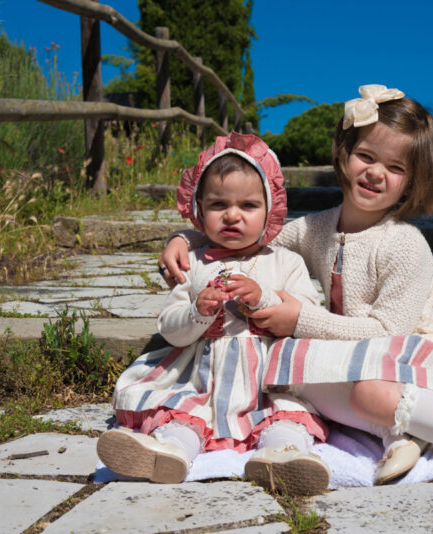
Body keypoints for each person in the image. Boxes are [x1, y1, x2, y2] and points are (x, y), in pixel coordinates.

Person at [160, 84, 433, 491]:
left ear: (412, 182)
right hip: (352, 357)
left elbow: (390, 333)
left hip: (413, 356)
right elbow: (246, 240)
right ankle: (403, 435)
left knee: (368, 392)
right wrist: (185, 239)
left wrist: (301, 318)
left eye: (396, 167)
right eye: (365, 156)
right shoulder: (316, 228)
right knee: (288, 375)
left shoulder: (405, 244)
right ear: (344, 154)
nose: (375, 172)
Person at [97, 132, 333, 496]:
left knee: (285, 415)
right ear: (198, 209)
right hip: (202, 377)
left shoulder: (286, 262)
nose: (232, 215)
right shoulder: (192, 263)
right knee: (185, 413)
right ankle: (171, 451)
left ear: (271, 210)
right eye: (218, 204)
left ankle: (282, 455)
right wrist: (197, 312)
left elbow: (306, 315)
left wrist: (263, 297)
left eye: (249, 206)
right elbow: (170, 328)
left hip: (266, 380)